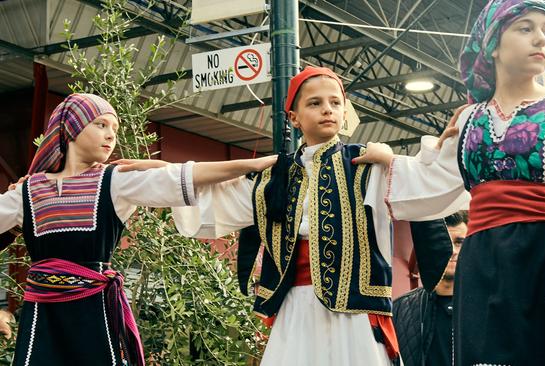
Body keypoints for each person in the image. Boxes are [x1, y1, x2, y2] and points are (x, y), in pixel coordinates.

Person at [355, 0, 545, 364]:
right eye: (526, 28)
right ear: (493, 43)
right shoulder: (468, 120)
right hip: (482, 263)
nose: (541, 39)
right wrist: (387, 160)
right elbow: (433, 181)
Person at [162, 66, 452, 366]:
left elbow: (423, 190)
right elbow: (210, 201)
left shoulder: (366, 164)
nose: (327, 110)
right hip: (294, 309)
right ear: (293, 117)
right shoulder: (274, 177)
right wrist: (160, 174)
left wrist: (390, 159)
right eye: (315, 103)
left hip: (352, 312)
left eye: (335, 102)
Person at [0, 93, 276, 366]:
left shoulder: (114, 181)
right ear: (71, 128)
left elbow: (186, 176)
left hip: (94, 309)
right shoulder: (29, 190)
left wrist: (254, 164)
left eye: (115, 129)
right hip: (43, 313)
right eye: (101, 125)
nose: (111, 135)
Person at [393, 211, 468, 366]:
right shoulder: (401, 309)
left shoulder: (488, 306)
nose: (452, 251)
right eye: (445, 242)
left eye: (459, 242)